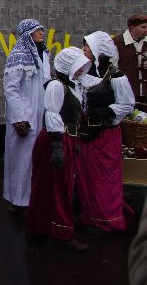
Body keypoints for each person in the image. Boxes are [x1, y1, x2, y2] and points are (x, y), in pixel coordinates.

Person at [27, 47, 90, 251]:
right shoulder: (56, 85)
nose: (81, 70)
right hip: (55, 140)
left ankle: (46, 228)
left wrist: (74, 142)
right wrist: (57, 146)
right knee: (57, 186)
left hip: (66, 139)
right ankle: (60, 233)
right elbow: (52, 114)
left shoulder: (73, 86)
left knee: (57, 185)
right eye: (77, 66)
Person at [75, 31, 135, 233]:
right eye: (84, 45)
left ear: (98, 49)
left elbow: (127, 104)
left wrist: (104, 111)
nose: (84, 49)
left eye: (88, 46)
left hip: (106, 135)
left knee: (104, 178)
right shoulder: (84, 72)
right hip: (87, 133)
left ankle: (107, 220)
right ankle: (90, 216)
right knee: (87, 176)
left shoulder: (116, 76)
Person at [2, 19, 50, 214]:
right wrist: (19, 117)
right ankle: (18, 200)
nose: (41, 32)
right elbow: (11, 88)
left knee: (37, 157)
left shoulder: (43, 54)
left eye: (42, 29)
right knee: (21, 159)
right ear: (27, 34)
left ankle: (34, 198)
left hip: (41, 113)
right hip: (24, 114)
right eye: (37, 30)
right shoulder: (18, 56)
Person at [113, 14, 147, 111]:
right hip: (126, 95)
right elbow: (113, 69)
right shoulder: (117, 42)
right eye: (143, 27)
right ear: (132, 28)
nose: (146, 30)